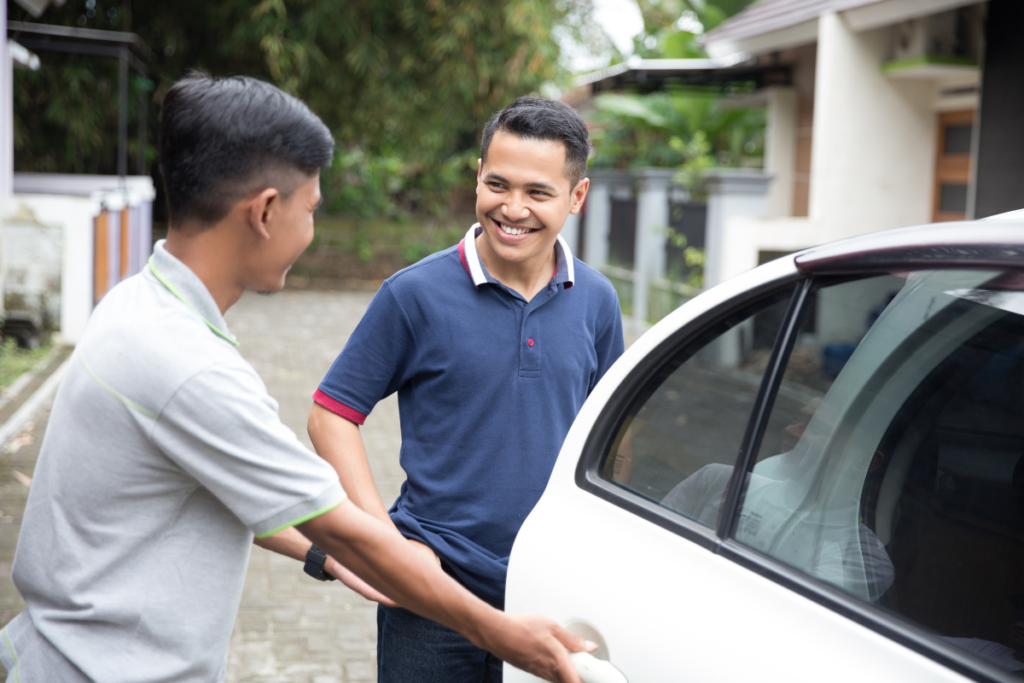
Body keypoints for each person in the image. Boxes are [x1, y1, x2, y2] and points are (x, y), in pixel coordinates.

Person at [0, 75, 594, 683]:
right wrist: (498, 633)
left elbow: (252, 494)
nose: (311, 231)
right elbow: (336, 517)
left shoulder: (133, 308)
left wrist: (328, 558)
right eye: (311, 209)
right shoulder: (193, 369)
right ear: (263, 212)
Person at [308, 96, 625, 682]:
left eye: (538, 192)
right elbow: (331, 414)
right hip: (431, 592)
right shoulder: (414, 294)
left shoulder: (598, 301)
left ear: (576, 198)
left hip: (550, 588)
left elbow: (612, 433)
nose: (513, 208)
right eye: (498, 184)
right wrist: (386, 545)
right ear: (477, 176)